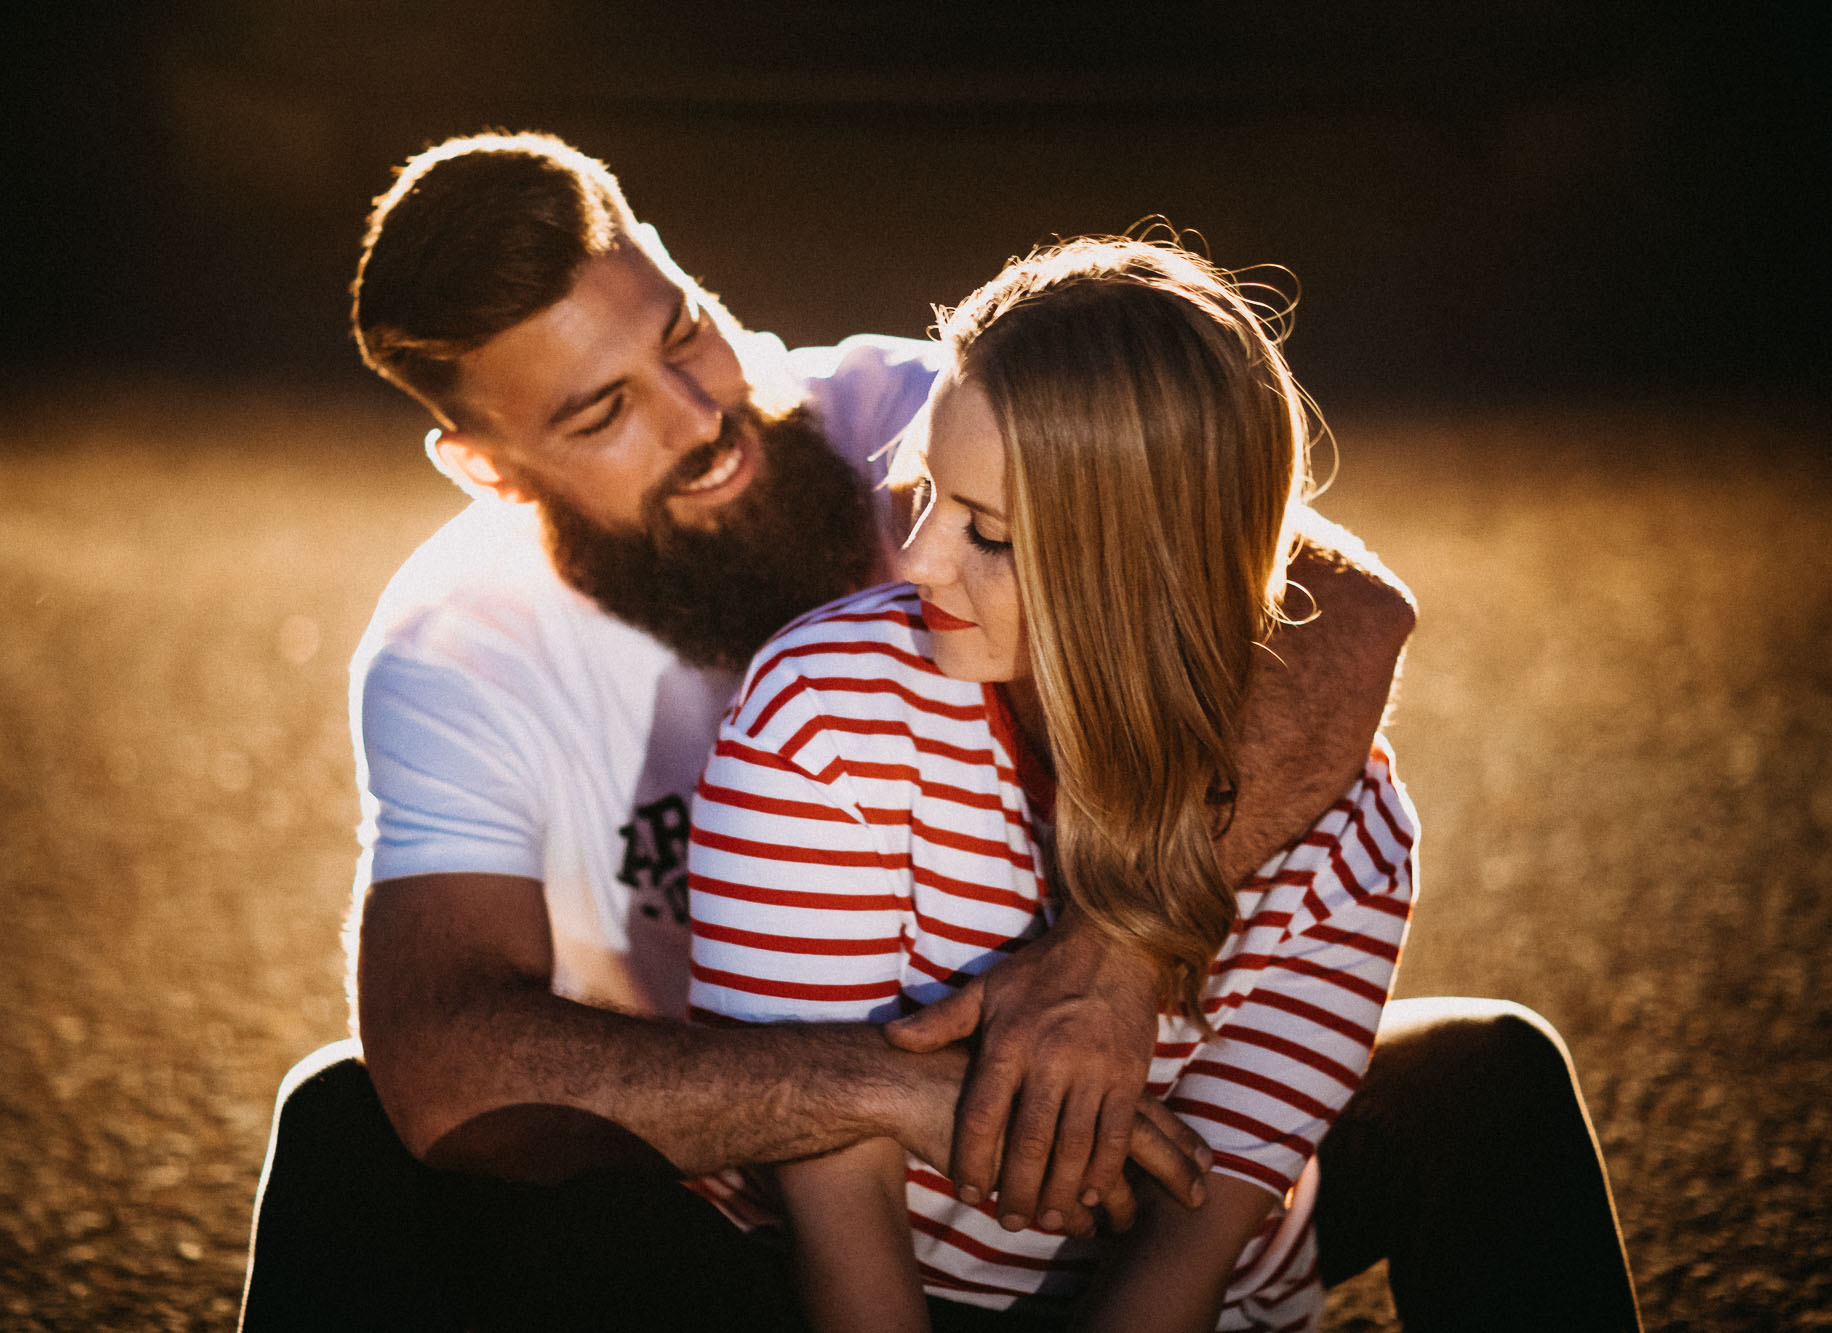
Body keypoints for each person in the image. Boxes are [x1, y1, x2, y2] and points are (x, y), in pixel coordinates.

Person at [238, 132, 1640, 1331]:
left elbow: (1340, 612)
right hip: (772, 1206)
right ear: (485, 464)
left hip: (1131, 1126)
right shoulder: (456, 649)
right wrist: (901, 1095)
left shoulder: (937, 411)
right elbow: (442, 1061)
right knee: (349, 1131)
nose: (703, 414)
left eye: (684, 331)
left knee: (1491, 1081)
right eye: (604, 413)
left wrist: (1113, 952)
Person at [689, 235, 1408, 1331]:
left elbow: (1192, 1243)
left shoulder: (1342, 830)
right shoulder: (822, 708)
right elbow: (833, 1194)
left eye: (988, 533)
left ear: (1158, 566)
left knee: (1505, 1079)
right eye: (923, 490)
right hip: (846, 1291)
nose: (918, 558)